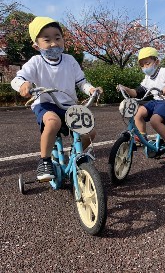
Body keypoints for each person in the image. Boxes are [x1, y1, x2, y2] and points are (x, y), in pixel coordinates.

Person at [11, 16, 102, 181]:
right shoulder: (36, 62)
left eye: (58, 38)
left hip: (68, 105)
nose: (54, 43)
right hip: (46, 104)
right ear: (36, 45)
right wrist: (23, 85)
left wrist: (90, 89)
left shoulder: (70, 60)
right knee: (53, 122)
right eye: (47, 39)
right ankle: (44, 160)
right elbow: (17, 79)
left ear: (63, 40)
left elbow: (81, 82)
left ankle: (75, 154)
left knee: (90, 132)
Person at [118, 46, 165, 162]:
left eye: (147, 63)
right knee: (138, 112)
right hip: (157, 101)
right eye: (142, 65)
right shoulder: (147, 78)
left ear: (156, 62)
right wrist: (125, 89)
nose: (145, 67)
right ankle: (142, 137)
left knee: (154, 121)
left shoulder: (164, 72)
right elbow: (137, 92)